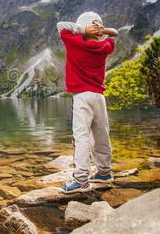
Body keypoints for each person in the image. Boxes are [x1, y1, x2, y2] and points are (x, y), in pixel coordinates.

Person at [56, 11, 118, 193]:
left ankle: (81, 178)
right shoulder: (106, 45)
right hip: (99, 96)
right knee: (101, 134)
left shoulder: (74, 42)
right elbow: (114, 34)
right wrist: (101, 30)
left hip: (81, 97)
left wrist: (84, 30)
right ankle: (104, 173)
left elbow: (61, 26)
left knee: (81, 136)